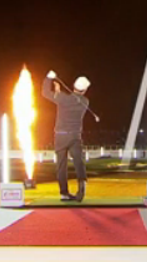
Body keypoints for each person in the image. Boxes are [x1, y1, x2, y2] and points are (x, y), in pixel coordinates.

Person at [42, 70, 91, 202]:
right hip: (75, 136)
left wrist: (48, 78)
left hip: (60, 136)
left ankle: (64, 193)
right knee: (78, 161)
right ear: (84, 89)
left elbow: (45, 93)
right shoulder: (85, 102)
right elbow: (70, 100)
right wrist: (59, 93)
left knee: (61, 165)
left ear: (74, 85)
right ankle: (82, 183)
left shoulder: (63, 98)